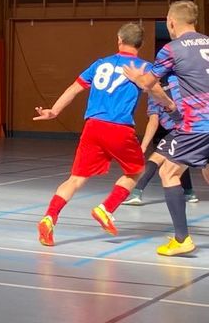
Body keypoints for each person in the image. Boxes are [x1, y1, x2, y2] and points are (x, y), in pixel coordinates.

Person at [33, 22, 173, 247]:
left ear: (119, 40)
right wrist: (170, 106)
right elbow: (155, 91)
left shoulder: (100, 64)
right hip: (118, 128)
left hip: (93, 126)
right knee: (137, 171)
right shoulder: (143, 67)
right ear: (141, 43)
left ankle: (49, 217)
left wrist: (54, 111)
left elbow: (74, 88)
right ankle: (105, 209)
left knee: (76, 179)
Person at [124, 0, 209, 256]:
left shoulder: (171, 49)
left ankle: (182, 239)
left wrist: (137, 77)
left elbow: (150, 84)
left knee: (169, 173)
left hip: (198, 124)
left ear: (171, 22)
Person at [123, 74, 198, 205]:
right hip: (186, 129)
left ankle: (136, 193)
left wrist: (144, 146)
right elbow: (153, 121)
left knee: (155, 159)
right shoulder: (155, 95)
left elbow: (153, 122)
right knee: (177, 159)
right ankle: (189, 192)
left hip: (186, 128)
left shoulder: (175, 83)